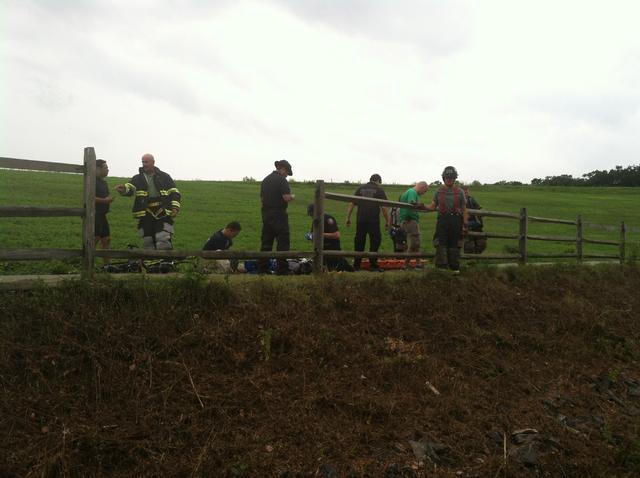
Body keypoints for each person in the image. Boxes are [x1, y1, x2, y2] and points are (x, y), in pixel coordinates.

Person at [115, 153, 181, 250]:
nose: (144, 164)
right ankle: (150, 264)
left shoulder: (164, 176)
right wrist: (124, 189)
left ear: (153, 162)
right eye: (143, 162)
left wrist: (175, 207)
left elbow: (174, 192)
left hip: (162, 212)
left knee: (162, 239)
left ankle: (165, 263)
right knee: (147, 241)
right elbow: (130, 187)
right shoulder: (138, 178)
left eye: (146, 162)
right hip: (146, 213)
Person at [424, 166, 469, 271]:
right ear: (444, 178)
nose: (450, 180)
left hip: (456, 221)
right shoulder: (438, 192)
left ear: (455, 178)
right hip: (443, 220)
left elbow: (464, 209)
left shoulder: (460, 192)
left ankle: (454, 269)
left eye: (452, 178)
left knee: (454, 245)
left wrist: (465, 224)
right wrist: (423, 206)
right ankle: (441, 269)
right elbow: (433, 206)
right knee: (441, 243)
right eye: (448, 178)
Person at [346, 173, 391, 271]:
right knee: (375, 242)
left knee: (359, 242)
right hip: (373, 221)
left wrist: (348, 218)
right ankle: (373, 265)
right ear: (378, 180)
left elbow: (351, 203)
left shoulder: (360, 189)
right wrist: (388, 221)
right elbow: (384, 207)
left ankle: (356, 266)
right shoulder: (379, 190)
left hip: (361, 220)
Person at [258, 160, 294, 274]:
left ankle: (263, 268)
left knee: (266, 242)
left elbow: (262, 200)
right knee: (283, 241)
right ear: (283, 169)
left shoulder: (265, 180)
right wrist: (293, 196)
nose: (287, 176)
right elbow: (286, 198)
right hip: (279, 214)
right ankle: (282, 269)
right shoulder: (282, 180)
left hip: (266, 214)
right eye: (287, 173)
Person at [306, 204, 354, 272]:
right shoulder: (315, 222)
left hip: (332, 248)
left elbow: (336, 235)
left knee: (338, 268)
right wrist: (310, 236)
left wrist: (320, 235)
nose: (312, 217)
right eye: (310, 215)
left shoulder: (328, 219)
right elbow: (313, 235)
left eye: (312, 214)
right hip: (322, 249)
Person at [398, 181, 429, 268]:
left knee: (415, 242)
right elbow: (412, 203)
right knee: (415, 243)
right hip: (410, 220)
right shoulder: (412, 192)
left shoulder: (408, 192)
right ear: (422, 187)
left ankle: (417, 263)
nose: (424, 193)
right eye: (425, 191)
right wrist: (422, 206)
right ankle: (406, 264)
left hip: (407, 220)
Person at [95, 159, 114, 265]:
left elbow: (105, 196)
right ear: (98, 169)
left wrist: (108, 198)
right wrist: (105, 200)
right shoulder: (91, 181)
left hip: (103, 214)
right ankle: (88, 265)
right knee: (95, 238)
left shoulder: (104, 183)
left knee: (106, 240)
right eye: (105, 168)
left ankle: (107, 267)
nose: (108, 170)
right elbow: (90, 198)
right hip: (95, 214)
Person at [463, 187, 487, 254]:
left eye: (467, 192)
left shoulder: (471, 199)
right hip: (466, 225)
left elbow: (479, 208)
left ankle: (477, 257)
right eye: (464, 192)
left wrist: (482, 211)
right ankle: (469, 261)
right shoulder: (459, 201)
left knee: (481, 243)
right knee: (469, 245)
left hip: (476, 224)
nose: (466, 194)